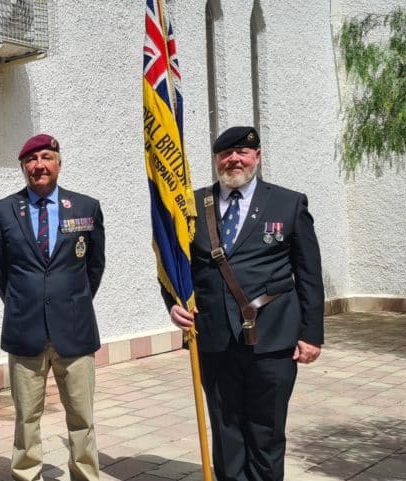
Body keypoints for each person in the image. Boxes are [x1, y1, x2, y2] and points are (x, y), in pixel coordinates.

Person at [164, 126, 323, 481]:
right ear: (217, 160)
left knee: (266, 430)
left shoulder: (288, 202)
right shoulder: (192, 205)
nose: (234, 159)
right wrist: (172, 304)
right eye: (226, 153)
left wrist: (312, 334)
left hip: (274, 339)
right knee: (226, 429)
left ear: (257, 157)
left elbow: (309, 273)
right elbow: (174, 265)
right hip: (216, 339)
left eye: (242, 152)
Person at [0, 133, 105, 481]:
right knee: (25, 417)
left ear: (58, 163)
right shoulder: (2, 211)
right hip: (26, 330)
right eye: (32, 160)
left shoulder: (86, 208)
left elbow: (94, 267)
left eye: (46, 158)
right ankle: (26, 474)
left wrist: (73, 301)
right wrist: (26, 303)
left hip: (75, 328)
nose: (39, 166)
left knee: (82, 416)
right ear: (23, 167)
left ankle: (84, 474)